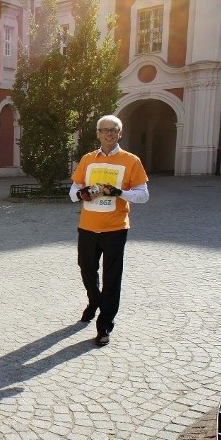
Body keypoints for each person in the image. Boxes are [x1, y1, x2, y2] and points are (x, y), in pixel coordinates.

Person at [69, 115, 149, 346]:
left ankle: (104, 325)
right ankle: (94, 301)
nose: (108, 134)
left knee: (112, 278)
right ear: (98, 133)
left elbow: (143, 195)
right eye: (104, 130)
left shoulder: (131, 160)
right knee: (86, 270)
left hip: (115, 228)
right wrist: (81, 194)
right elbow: (74, 189)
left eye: (113, 130)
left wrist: (120, 192)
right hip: (87, 227)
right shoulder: (87, 159)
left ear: (120, 133)